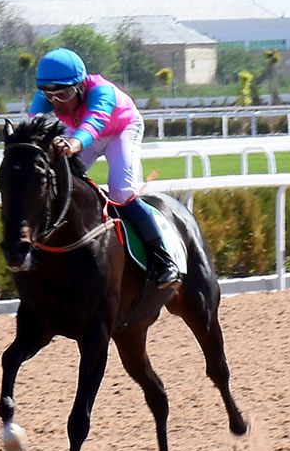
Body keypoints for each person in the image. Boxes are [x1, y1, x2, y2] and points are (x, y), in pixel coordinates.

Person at [29, 47, 180, 287]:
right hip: (81, 135)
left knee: (121, 193)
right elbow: (34, 128)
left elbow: (94, 123)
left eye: (63, 94)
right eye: (49, 95)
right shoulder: (46, 98)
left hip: (120, 130)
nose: (56, 102)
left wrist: (72, 144)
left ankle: (163, 259)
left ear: (80, 86)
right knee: (61, 185)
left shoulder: (101, 91)